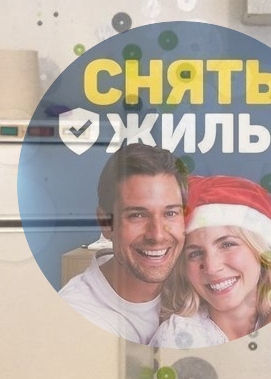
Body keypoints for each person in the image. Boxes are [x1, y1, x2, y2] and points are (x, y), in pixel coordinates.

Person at [59, 142, 188, 345]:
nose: (157, 235)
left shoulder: (198, 281)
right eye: (137, 215)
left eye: (170, 213)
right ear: (106, 223)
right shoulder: (75, 321)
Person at [149, 175, 271, 347]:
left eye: (227, 244)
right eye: (195, 253)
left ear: (260, 251)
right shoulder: (176, 338)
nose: (211, 267)